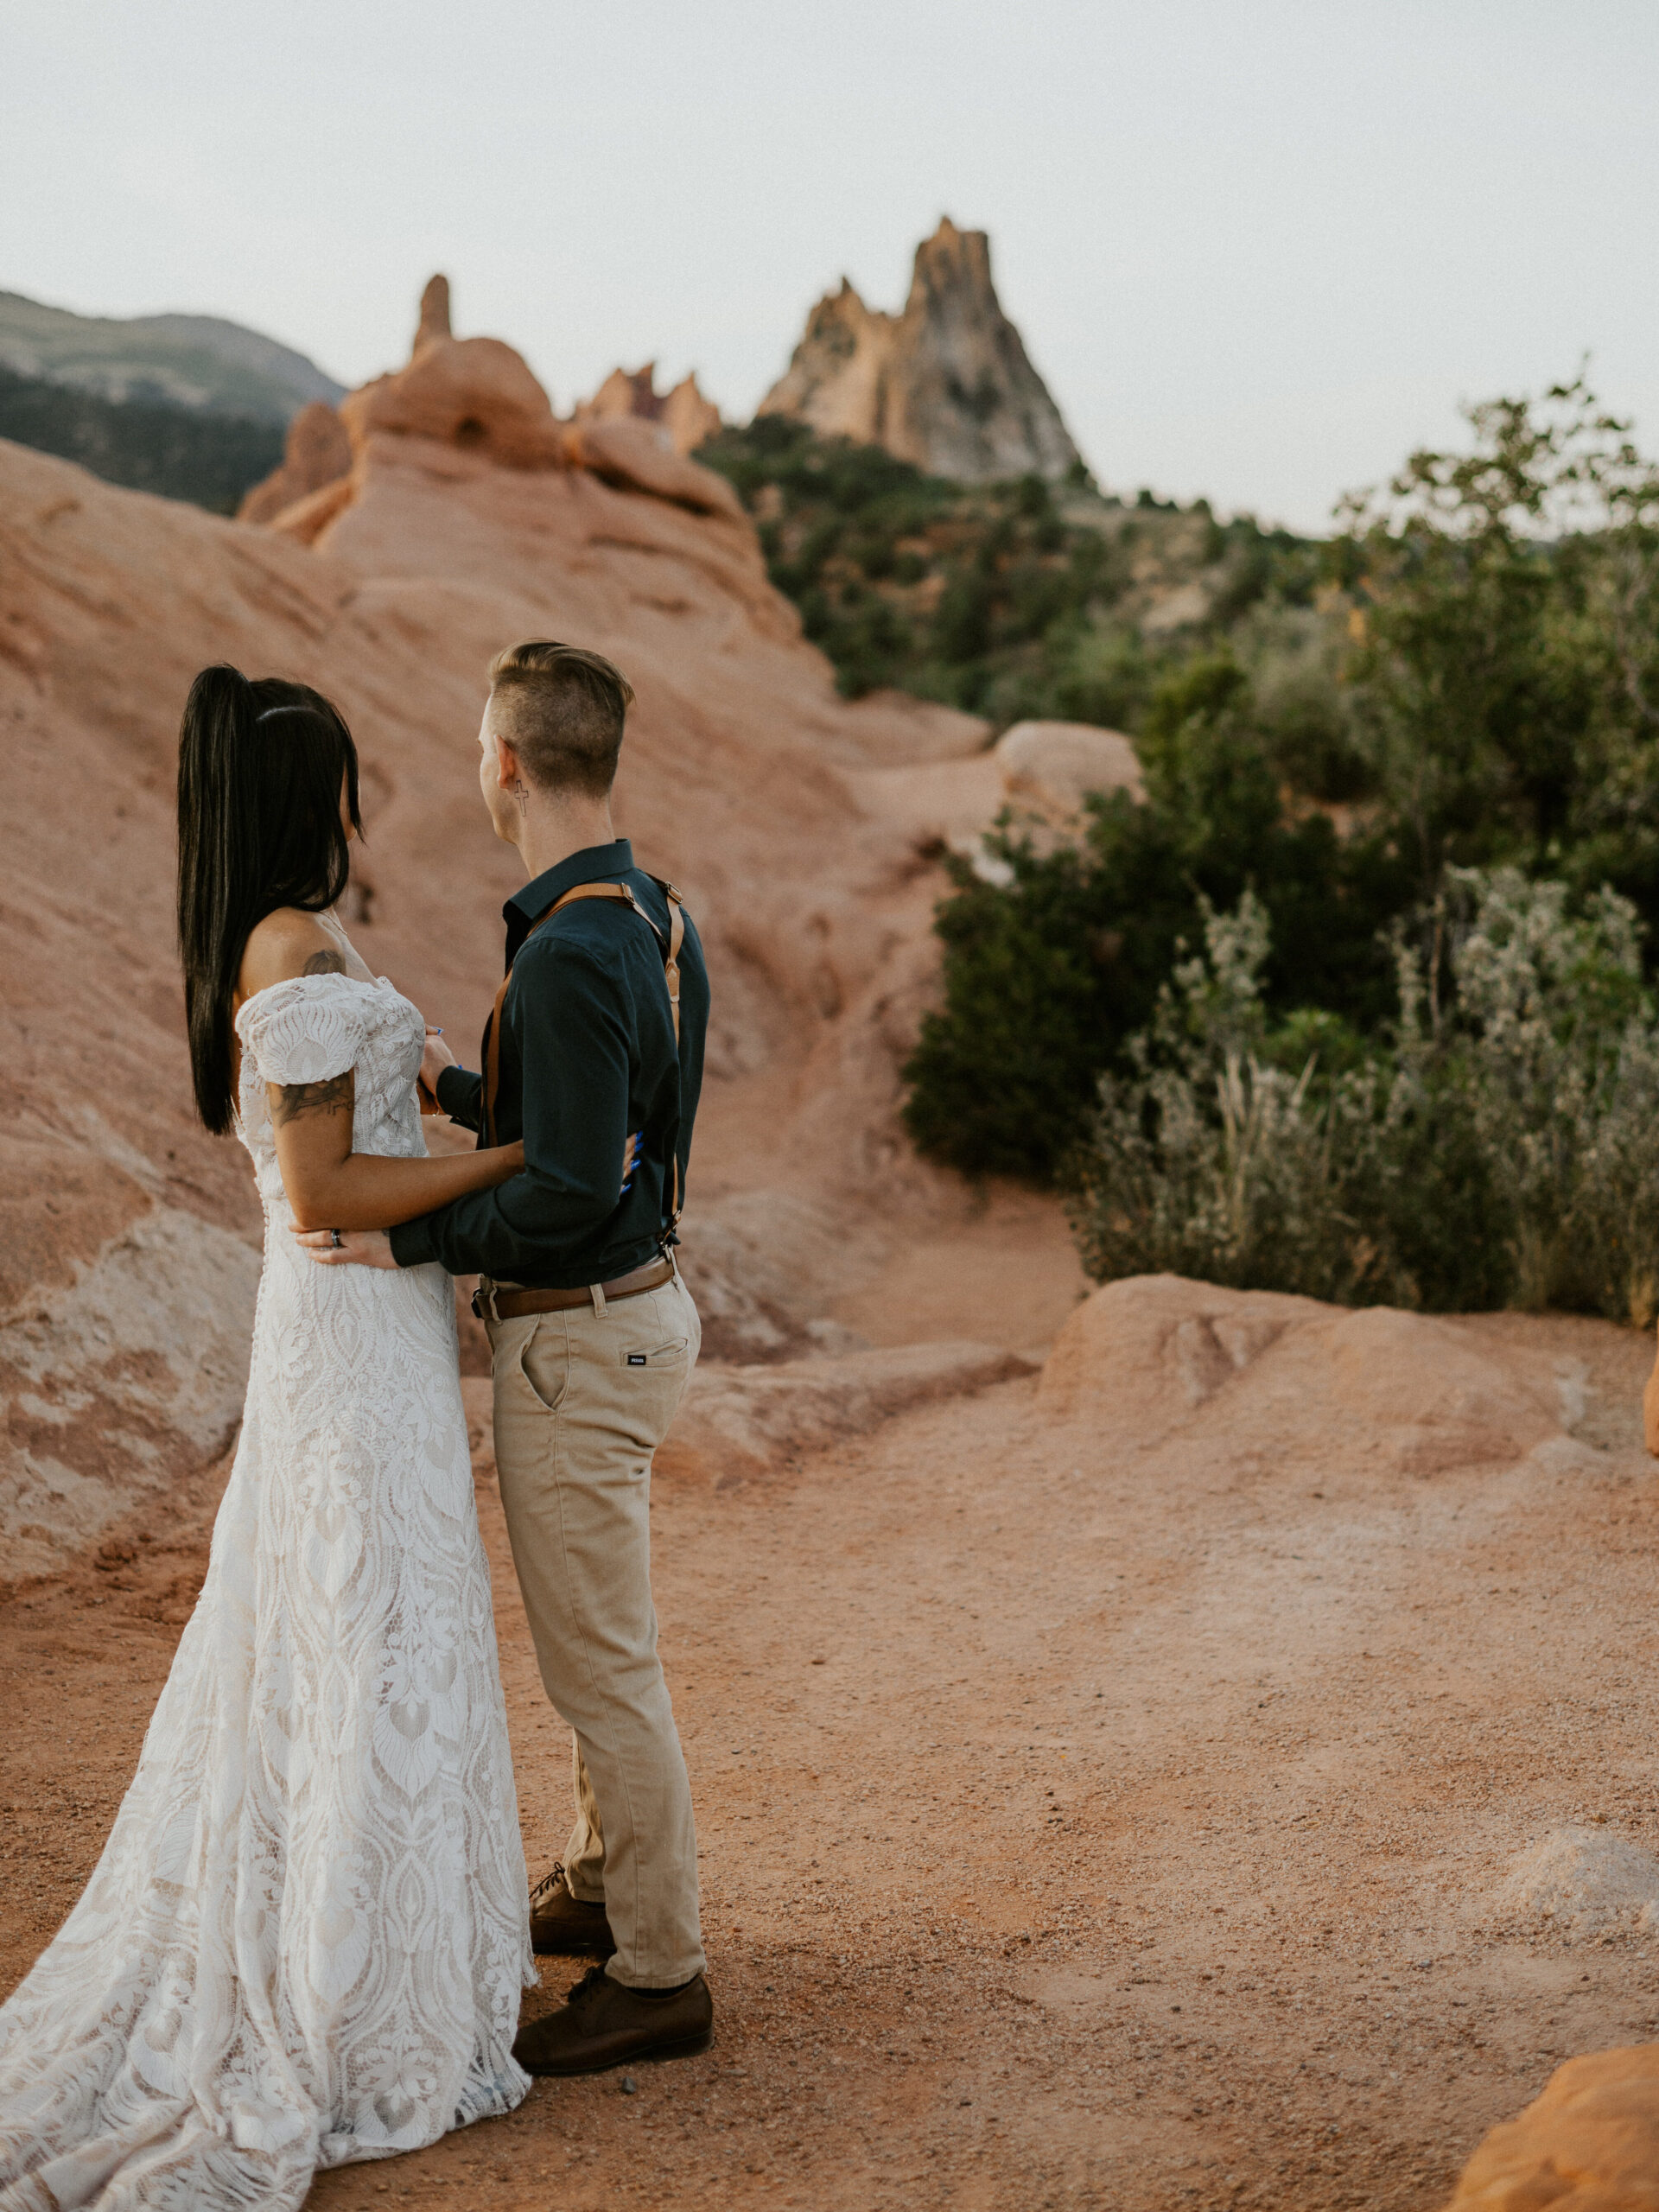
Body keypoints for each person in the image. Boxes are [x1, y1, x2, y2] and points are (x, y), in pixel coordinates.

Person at [0, 666, 590, 2208]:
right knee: (362, 1631)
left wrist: (471, 1091)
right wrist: (520, 1157)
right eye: (343, 781)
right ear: (301, 800)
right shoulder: (287, 945)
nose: (361, 806)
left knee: (377, 1628)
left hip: (359, 1333)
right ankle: (354, 1994)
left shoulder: (293, 941)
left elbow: (372, 1113)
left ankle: (401, 1961)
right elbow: (326, 1193)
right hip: (346, 1336)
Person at [303, 640, 714, 2077]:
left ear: (506, 762)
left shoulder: (565, 951)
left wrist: (401, 1245)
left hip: (584, 1342)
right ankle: (604, 1883)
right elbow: (607, 1128)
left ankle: (661, 1970)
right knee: (608, 1646)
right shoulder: (654, 917)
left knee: (604, 1671)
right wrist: (453, 1085)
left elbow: (562, 1191)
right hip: (635, 1316)